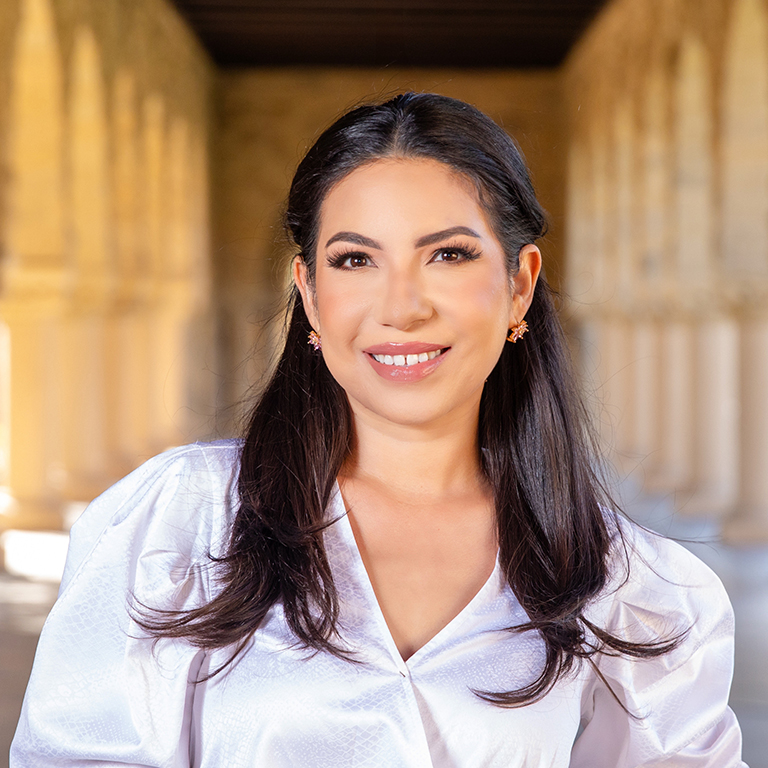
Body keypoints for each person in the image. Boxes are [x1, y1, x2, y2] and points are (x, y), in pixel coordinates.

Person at [12, 92, 745, 767]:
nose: (401, 307)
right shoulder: (178, 523)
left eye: (448, 255)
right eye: (356, 259)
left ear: (520, 282)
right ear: (310, 293)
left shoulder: (631, 588)